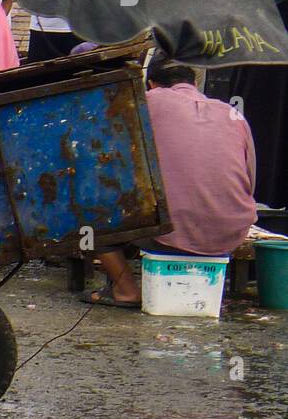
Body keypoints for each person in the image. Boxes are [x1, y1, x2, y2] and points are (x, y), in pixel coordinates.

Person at [82, 53, 257, 307]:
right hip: (230, 230)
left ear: (150, 83)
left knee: (89, 216)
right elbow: (250, 180)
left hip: (172, 229)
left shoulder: (145, 102)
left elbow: (109, 161)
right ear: (194, 82)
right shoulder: (232, 113)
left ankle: (126, 290)